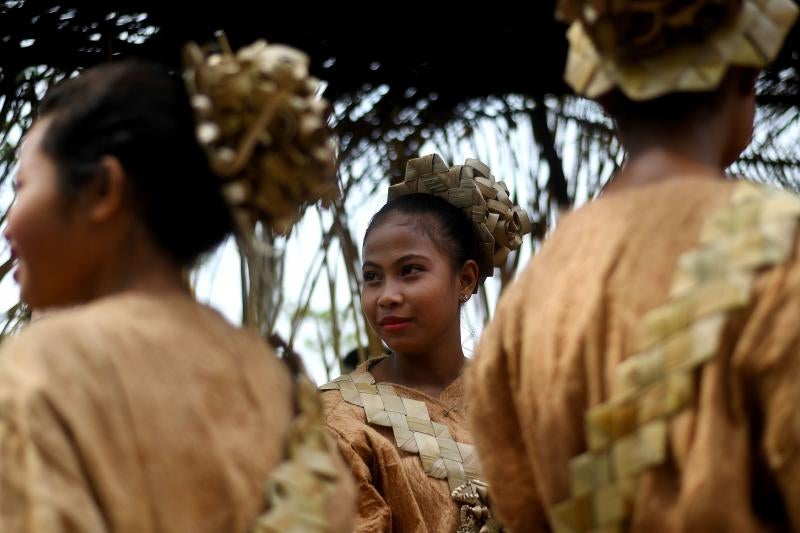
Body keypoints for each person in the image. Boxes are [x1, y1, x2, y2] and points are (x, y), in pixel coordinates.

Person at [468, 1, 800, 531]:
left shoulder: (532, 293)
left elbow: (516, 500)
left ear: (603, 94)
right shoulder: (783, 246)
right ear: (744, 74)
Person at [0, 45, 353, 533]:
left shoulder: (40, 373)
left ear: (103, 191)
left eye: (22, 186)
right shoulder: (281, 388)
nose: (7, 224)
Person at [321, 153, 530, 532]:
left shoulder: (519, 398)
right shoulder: (337, 420)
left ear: (465, 279)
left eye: (410, 271)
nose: (387, 296)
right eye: (372, 277)